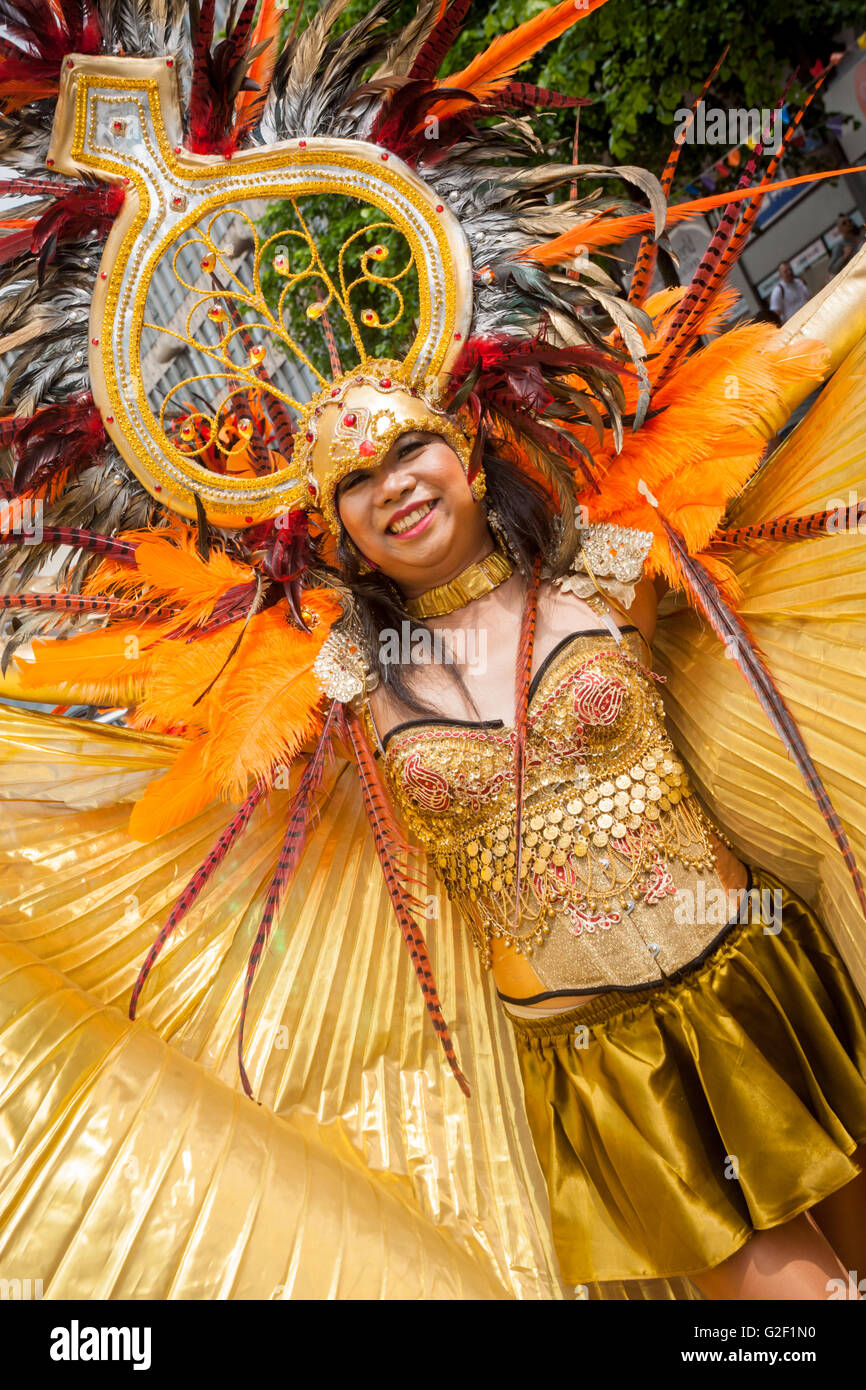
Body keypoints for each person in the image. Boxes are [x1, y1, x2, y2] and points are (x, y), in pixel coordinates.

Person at [2, 0, 866, 1304]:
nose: (393, 485)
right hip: (601, 1059)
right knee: (794, 1285)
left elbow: (770, 415)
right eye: (356, 481)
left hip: (757, 972)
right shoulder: (336, 683)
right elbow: (143, 800)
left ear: (461, 447)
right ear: (332, 522)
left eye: (406, 446)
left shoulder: (603, 560)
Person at [826, 212, 865, 278]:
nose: (848, 224)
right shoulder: (840, 246)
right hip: (858, 278)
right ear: (839, 229)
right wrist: (844, 256)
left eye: (849, 221)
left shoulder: (861, 238)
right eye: (844, 223)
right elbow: (832, 269)